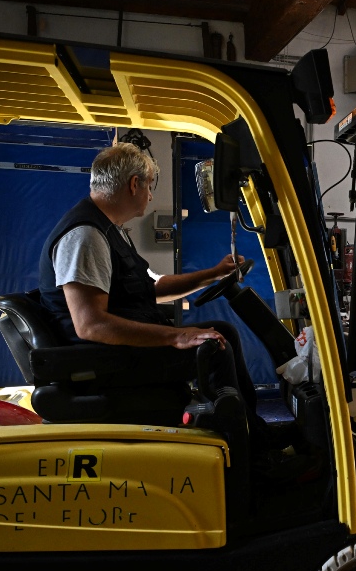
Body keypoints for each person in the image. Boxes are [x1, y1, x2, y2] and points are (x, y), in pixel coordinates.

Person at [39, 142, 257, 417]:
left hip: (118, 350)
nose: (151, 196)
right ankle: (239, 434)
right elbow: (91, 325)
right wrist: (176, 336)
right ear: (134, 184)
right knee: (216, 348)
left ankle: (250, 426)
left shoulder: (111, 230)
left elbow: (150, 287)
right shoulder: (86, 236)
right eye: (150, 186)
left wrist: (214, 274)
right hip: (105, 359)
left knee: (223, 332)